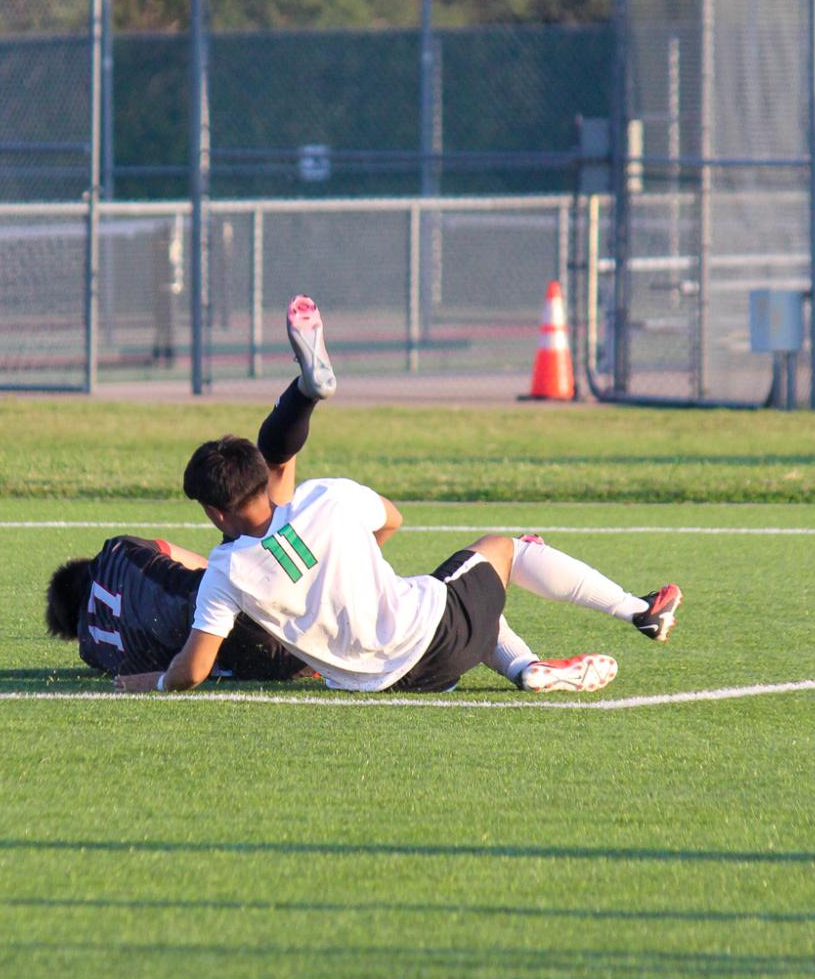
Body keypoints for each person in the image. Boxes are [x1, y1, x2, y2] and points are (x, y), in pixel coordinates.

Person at [114, 305, 680, 697]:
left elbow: (193, 669)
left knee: (449, 591)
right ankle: (639, 610)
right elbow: (393, 519)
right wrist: (354, 560)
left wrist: (157, 682)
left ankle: (526, 665)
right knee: (502, 549)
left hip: (384, 681)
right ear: (265, 478)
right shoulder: (326, 499)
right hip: (431, 641)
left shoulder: (224, 572)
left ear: (215, 513)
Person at [45, 295, 337, 683]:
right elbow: (180, 558)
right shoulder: (116, 553)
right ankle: (302, 394)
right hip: (255, 621)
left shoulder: (95, 652)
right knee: (273, 483)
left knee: (264, 543)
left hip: (262, 662)